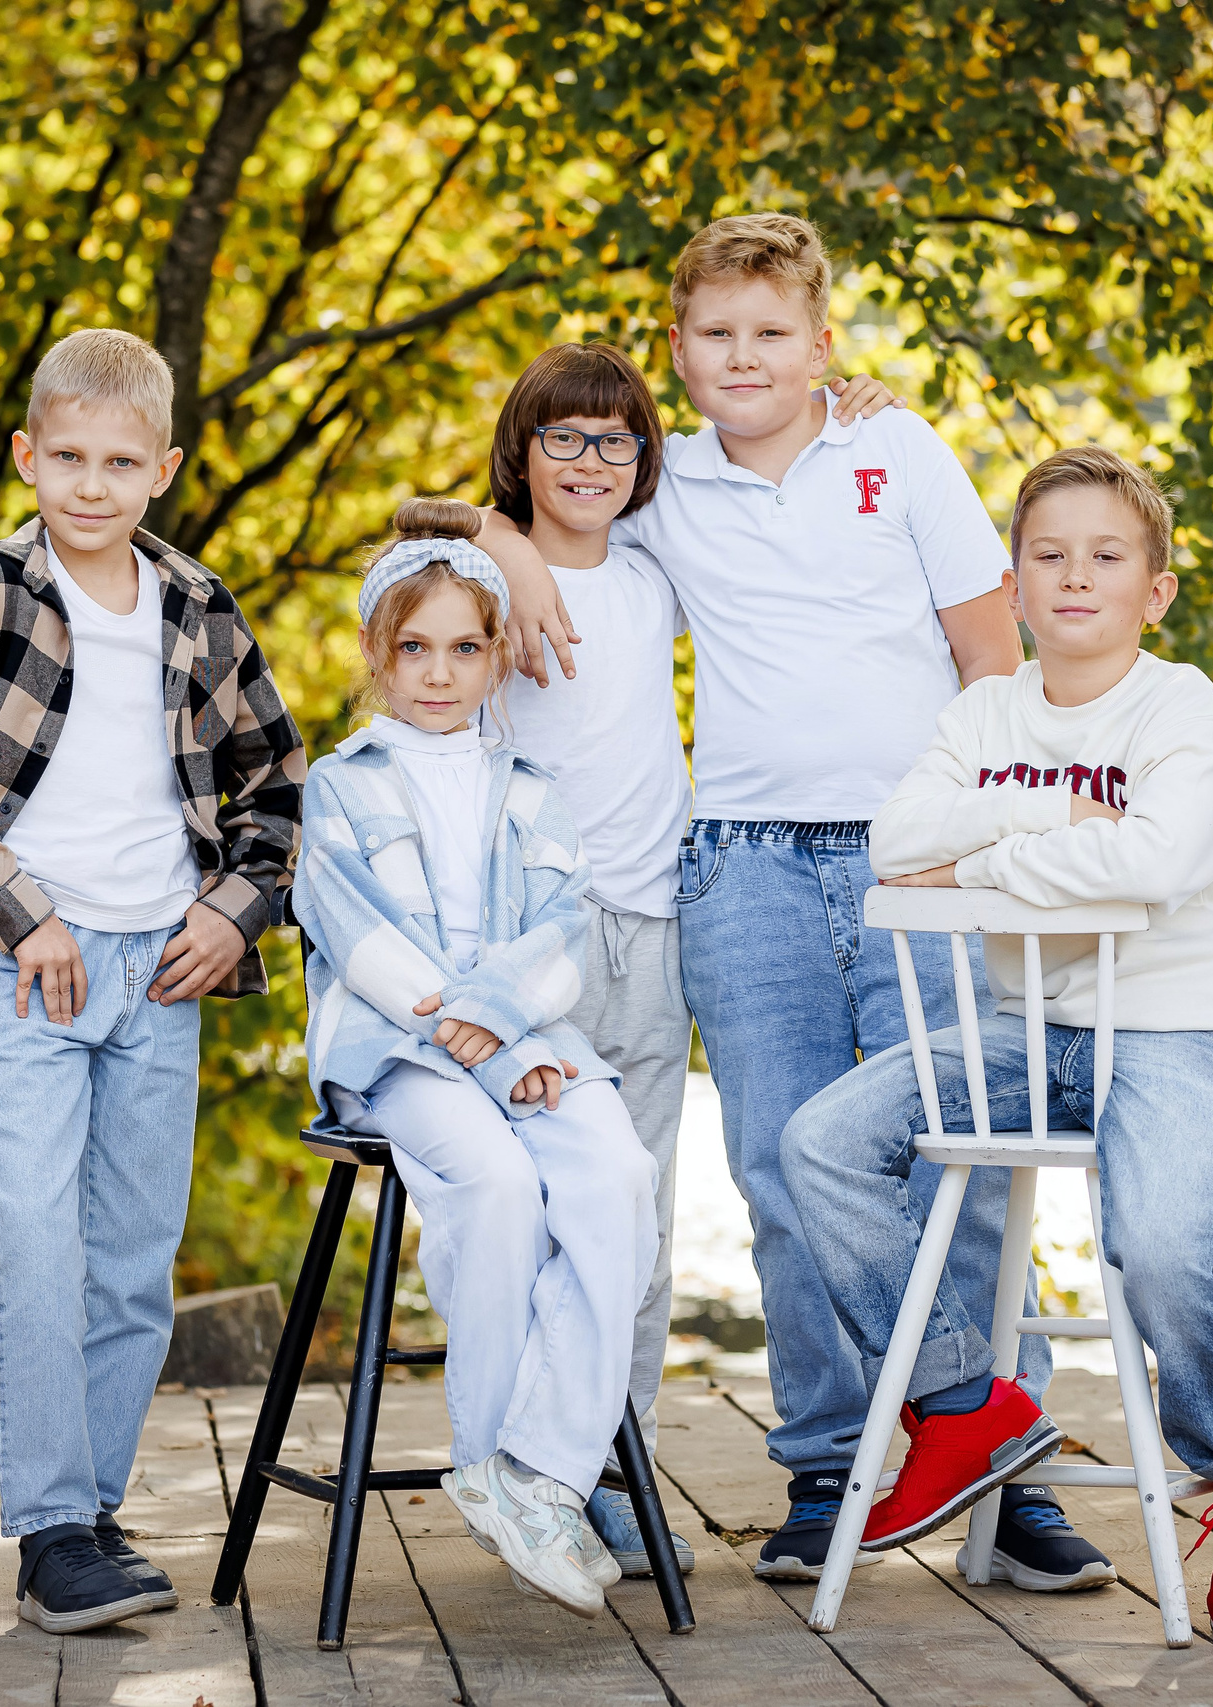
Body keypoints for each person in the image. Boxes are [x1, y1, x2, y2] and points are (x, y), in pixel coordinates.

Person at [483, 213, 1117, 1587]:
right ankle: (831, 1462)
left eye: (772, 332)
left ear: (822, 343)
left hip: (915, 863)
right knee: (779, 1166)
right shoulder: (662, 485)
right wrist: (501, 544)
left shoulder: (900, 450)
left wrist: (977, 840)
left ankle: (1003, 1470)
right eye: (716, 333)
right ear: (678, 349)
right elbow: (520, 505)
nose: (743, 356)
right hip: (742, 864)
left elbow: (989, 657)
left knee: (962, 1153)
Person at [778, 447, 1213, 1633]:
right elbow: (892, 844)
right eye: (1049, 556)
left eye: (1105, 557)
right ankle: (964, 1402)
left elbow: (1153, 863)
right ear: (1012, 587)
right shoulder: (984, 713)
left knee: (1157, 1243)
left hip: (1186, 1025)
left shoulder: (1180, 707)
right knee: (820, 1143)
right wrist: (1047, 815)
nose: (1076, 576)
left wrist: (977, 864)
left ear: (1153, 592)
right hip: (1033, 1030)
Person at [0, 328, 306, 1634]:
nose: (92, 485)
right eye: (68, 459)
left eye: (120, 462)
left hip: (162, 964)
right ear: (27, 456)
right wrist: (21, 911)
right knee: (37, 1239)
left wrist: (231, 912)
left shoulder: (198, 606)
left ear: (163, 467)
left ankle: (95, 1510)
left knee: (133, 1256)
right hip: (28, 967)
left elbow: (276, 787)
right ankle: (51, 1526)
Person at [293, 500, 659, 1621]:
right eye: (415, 647)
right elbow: (361, 940)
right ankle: (486, 1447)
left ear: (500, 656)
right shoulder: (341, 785)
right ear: (377, 652)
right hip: (396, 1047)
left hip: (527, 1035)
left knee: (617, 1174)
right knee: (498, 1183)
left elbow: (562, 931)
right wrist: (494, 1052)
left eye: (465, 647)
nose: (440, 673)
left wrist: (510, 1034)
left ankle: (538, 1470)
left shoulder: (533, 790)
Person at [481, 341, 701, 1577]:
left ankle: (620, 1467)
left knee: (641, 1221)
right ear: (520, 452)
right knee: (532, 1214)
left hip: (652, 927)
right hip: (527, 939)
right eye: (560, 436)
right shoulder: (474, 570)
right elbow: (415, 526)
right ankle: (525, 1466)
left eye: (614, 439)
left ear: (642, 460)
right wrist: (501, 543)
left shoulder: (655, 570)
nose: (588, 459)